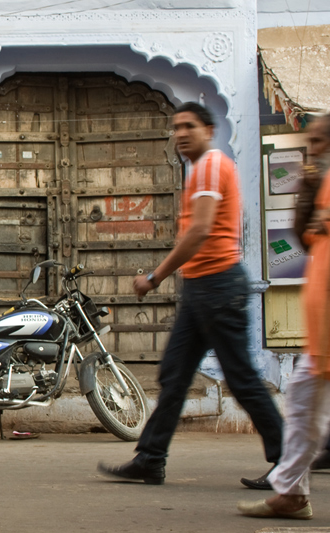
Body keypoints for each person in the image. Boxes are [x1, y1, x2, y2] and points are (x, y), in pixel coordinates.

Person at [97, 102, 283, 486]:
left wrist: (155, 277)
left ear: (209, 131)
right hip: (202, 288)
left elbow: (199, 231)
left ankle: (287, 463)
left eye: (189, 126)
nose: (180, 134)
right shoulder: (201, 170)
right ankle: (151, 458)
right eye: (176, 127)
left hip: (219, 285)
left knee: (241, 379)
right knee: (175, 374)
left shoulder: (212, 165)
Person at [238, 114, 330, 520]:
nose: (312, 148)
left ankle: (291, 493)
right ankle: (291, 493)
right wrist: (307, 191)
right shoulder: (321, 185)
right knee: (304, 406)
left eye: (318, 140)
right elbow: (303, 238)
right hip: (320, 323)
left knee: (306, 408)